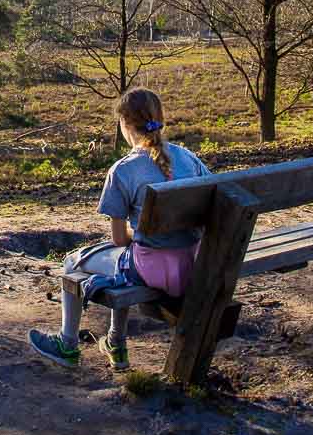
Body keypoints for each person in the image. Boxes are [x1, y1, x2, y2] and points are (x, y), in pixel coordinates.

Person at [28, 88, 212, 370]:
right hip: (194, 265)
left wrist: (138, 236)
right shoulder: (188, 158)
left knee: (73, 261)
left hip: (152, 270)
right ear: (159, 119)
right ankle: (115, 341)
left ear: (125, 125)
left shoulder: (123, 170)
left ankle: (67, 344)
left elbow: (117, 238)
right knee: (126, 255)